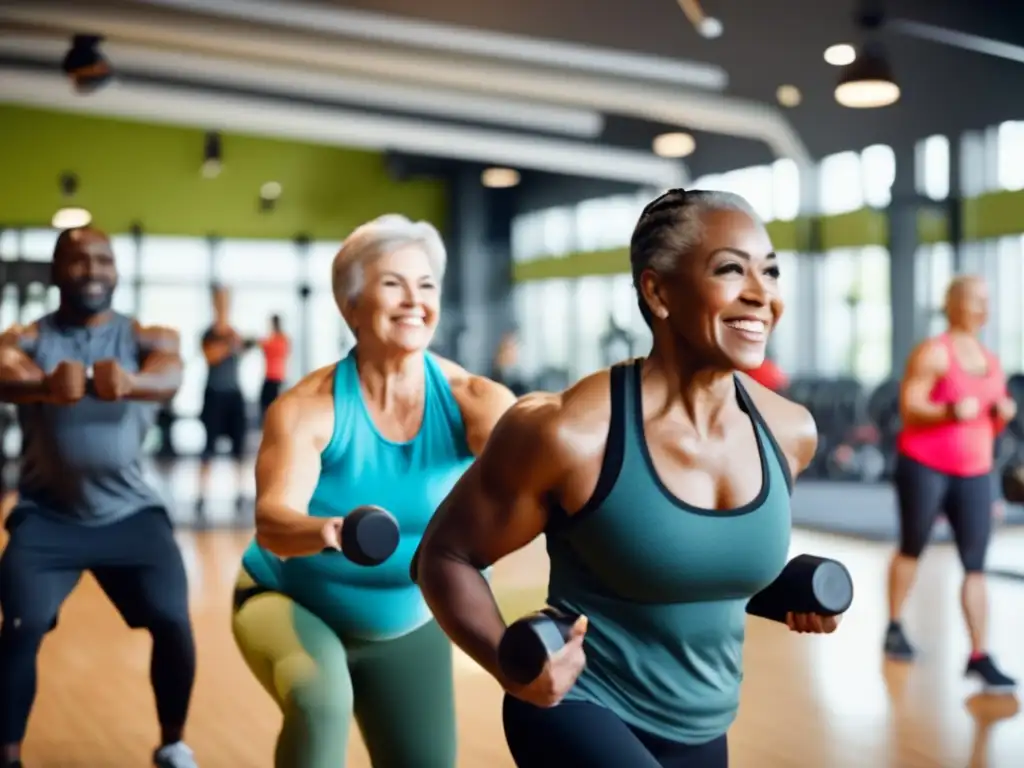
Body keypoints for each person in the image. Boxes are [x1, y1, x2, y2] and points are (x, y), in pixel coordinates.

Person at [416, 189, 841, 768]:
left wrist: (783, 597)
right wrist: (509, 666)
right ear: (658, 291)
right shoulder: (568, 433)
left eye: (770, 272)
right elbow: (444, 556)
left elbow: (679, 563)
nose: (761, 295)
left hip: (702, 726)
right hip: (578, 705)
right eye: (730, 270)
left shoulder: (789, 433)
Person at [230, 214, 516, 768]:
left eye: (426, 285)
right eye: (393, 284)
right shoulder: (308, 407)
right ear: (351, 305)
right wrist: (332, 531)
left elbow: (543, 475)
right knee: (321, 703)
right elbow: (273, 523)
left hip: (410, 620)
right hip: (290, 600)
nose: (415, 300)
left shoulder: (473, 400)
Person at [0, 227, 198, 768]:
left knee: (173, 621)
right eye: (78, 260)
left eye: (103, 260)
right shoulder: (29, 337)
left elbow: (171, 372)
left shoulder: (145, 336)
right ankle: (8, 755)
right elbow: (3, 366)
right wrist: (42, 385)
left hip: (131, 515)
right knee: (22, 625)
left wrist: (130, 383)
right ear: (54, 272)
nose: (92, 270)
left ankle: (172, 743)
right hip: (47, 518)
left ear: (117, 270)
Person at [885, 275, 1016, 693]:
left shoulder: (991, 361)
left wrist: (1002, 417)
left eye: (987, 301)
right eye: (976, 300)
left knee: (975, 565)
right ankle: (894, 626)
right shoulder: (933, 353)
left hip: (976, 471)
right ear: (954, 303)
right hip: (924, 465)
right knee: (913, 546)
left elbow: (986, 425)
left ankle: (978, 655)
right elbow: (910, 407)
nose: (984, 309)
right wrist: (946, 412)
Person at [196, 286, 253, 518]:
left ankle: (240, 495)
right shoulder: (208, 334)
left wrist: (241, 345)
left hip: (234, 394)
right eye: (219, 300)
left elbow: (242, 352)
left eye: (226, 300)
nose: (223, 304)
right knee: (208, 448)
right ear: (213, 303)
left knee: (239, 449)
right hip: (213, 394)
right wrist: (230, 346)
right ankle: (201, 497)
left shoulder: (234, 333)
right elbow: (211, 356)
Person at [259, 314, 290, 422]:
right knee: (267, 409)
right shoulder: (277, 339)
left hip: (277, 379)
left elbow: (263, 346)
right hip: (271, 378)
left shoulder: (278, 340)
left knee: (274, 411)